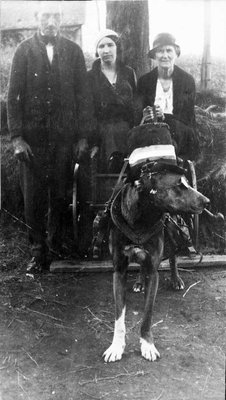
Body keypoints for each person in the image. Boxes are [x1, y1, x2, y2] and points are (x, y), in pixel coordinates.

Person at [7, 2, 94, 272]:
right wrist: (17, 138)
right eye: (45, 16)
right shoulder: (23, 51)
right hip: (32, 142)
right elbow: (12, 98)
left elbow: (84, 98)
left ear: (61, 19)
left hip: (64, 139)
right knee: (33, 198)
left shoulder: (73, 51)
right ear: (36, 18)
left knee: (60, 193)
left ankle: (56, 246)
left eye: (55, 16)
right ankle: (37, 252)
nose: (50, 21)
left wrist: (82, 137)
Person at [136, 32, 199, 160]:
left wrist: (165, 118)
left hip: (180, 133)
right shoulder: (144, 81)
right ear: (154, 55)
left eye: (169, 50)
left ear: (176, 54)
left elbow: (187, 117)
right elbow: (137, 115)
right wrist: (145, 115)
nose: (165, 55)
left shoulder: (187, 81)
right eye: (160, 51)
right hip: (152, 132)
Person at [88, 29, 137, 172]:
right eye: (101, 46)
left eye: (110, 45)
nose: (106, 50)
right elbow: (88, 111)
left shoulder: (128, 73)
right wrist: (94, 141)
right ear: (97, 51)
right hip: (101, 130)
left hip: (126, 128)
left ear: (117, 47)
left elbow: (134, 105)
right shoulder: (90, 77)